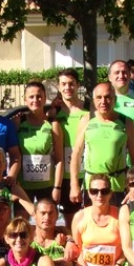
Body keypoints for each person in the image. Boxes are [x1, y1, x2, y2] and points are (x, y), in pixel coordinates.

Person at [69, 83, 134, 206]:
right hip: (92, 186)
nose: (103, 101)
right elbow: (76, 154)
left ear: (115, 99)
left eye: (108, 97)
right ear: (93, 100)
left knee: (117, 223)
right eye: (99, 97)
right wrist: (74, 185)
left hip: (117, 186)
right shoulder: (86, 120)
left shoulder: (126, 121)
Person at [72, 174, 125, 266]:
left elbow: (127, 247)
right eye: (94, 191)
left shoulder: (120, 215)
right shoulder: (80, 217)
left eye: (104, 191)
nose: (99, 195)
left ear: (110, 193)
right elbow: (77, 250)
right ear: (89, 193)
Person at [15, 82, 63, 206]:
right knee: (22, 224)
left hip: (47, 186)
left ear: (45, 98)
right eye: (31, 97)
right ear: (25, 100)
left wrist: (57, 188)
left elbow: (59, 160)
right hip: (23, 186)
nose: (35, 100)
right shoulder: (18, 123)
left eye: (39, 96)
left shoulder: (53, 125)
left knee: (47, 224)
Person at [54, 68, 89, 227]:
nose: (67, 88)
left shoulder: (89, 110)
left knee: (89, 217)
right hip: (66, 175)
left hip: (88, 171)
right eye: (64, 84)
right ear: (59, 86)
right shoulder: (53, 113)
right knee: (71, 221)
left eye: (71, 84)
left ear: (78, 85)